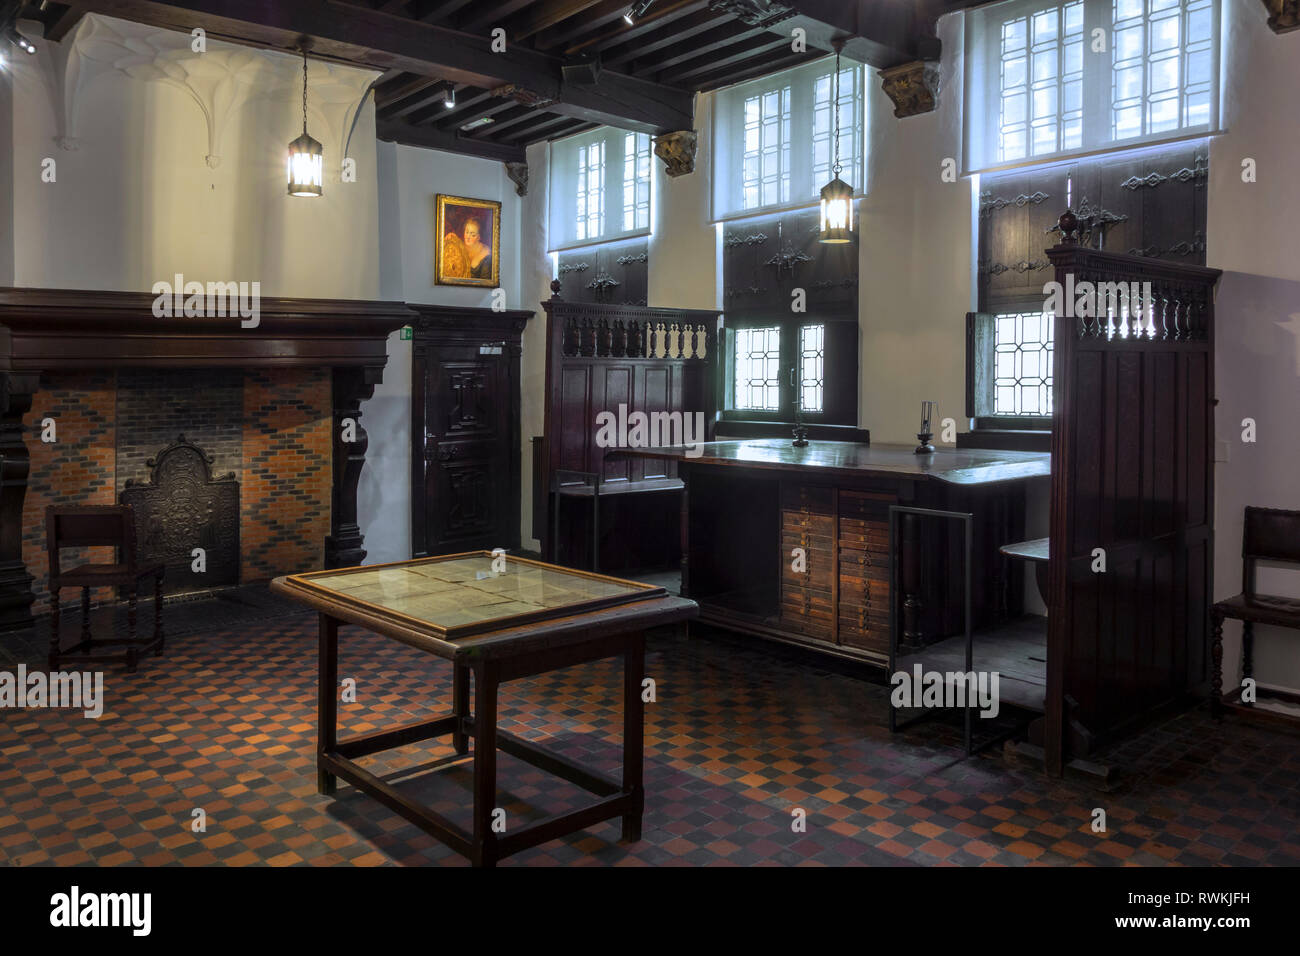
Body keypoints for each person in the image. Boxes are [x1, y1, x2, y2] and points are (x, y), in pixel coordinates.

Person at [443, 216, 492, 280]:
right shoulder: (459, 246)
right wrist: (451, 239)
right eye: (467, 232)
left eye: (473, 235)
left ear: (479, 237)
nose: (468, 237)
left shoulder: (486, 255)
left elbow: (485, 283)